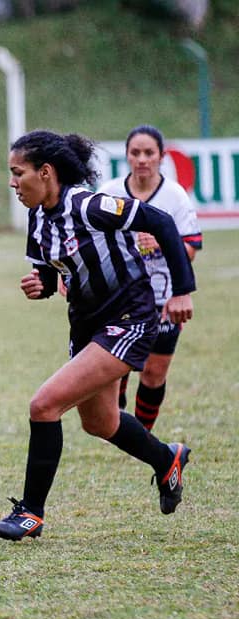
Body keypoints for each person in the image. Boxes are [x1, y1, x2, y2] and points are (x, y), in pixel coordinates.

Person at [0, 130, 196, 541]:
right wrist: (41, 284)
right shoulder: (38, 218)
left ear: (45, 172)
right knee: (100, 422)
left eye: (18, 173)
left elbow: (162, 222)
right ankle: (166, 458)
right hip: (86, 324)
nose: (13, 183)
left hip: (129, 318)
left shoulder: (90, 204)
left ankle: (30, 514)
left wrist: (182, 290)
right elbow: (51, 273)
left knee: (44, 404)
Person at [97, 125, 202, 431]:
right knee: (116, 367)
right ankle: (119, 425)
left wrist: (164, 242)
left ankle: (143, 436)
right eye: (135, 153)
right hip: (120, 295)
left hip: (164, 296)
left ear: (161, 156)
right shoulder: (110, 193)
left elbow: (192, 248)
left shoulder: (174, 196)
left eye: (149, 153)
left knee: (154, 373)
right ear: (127, 156)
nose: (142, 159)